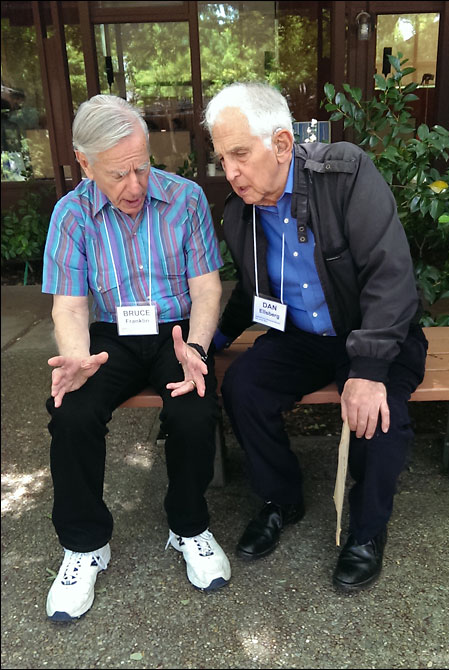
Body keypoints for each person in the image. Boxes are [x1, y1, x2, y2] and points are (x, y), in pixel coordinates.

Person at [203, 82, 428, 592]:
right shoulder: (241, 211)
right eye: (222, 158)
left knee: (380, 416)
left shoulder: (343, 174)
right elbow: (250, 293)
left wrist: (369, 370)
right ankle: (282, 497)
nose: (230, 171)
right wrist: (206, 343)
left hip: (369, 331)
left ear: (282, 144)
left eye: (239, 153)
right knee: (244, 388)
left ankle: (368, 531)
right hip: (301, 337)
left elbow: (390, 277)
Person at [42, 94, 231, 622]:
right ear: (84, 164)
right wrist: (76, 359)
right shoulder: (71, 214)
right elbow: (70, 305)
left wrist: (196, 349)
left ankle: (188, 527)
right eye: (118, 174)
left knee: (193, 407)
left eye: (142, 167)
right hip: (110, 335)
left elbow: (207, 289)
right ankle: (84, 546)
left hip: (175, 332)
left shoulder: (187, 199)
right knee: (72, 412)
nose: (135, 186)